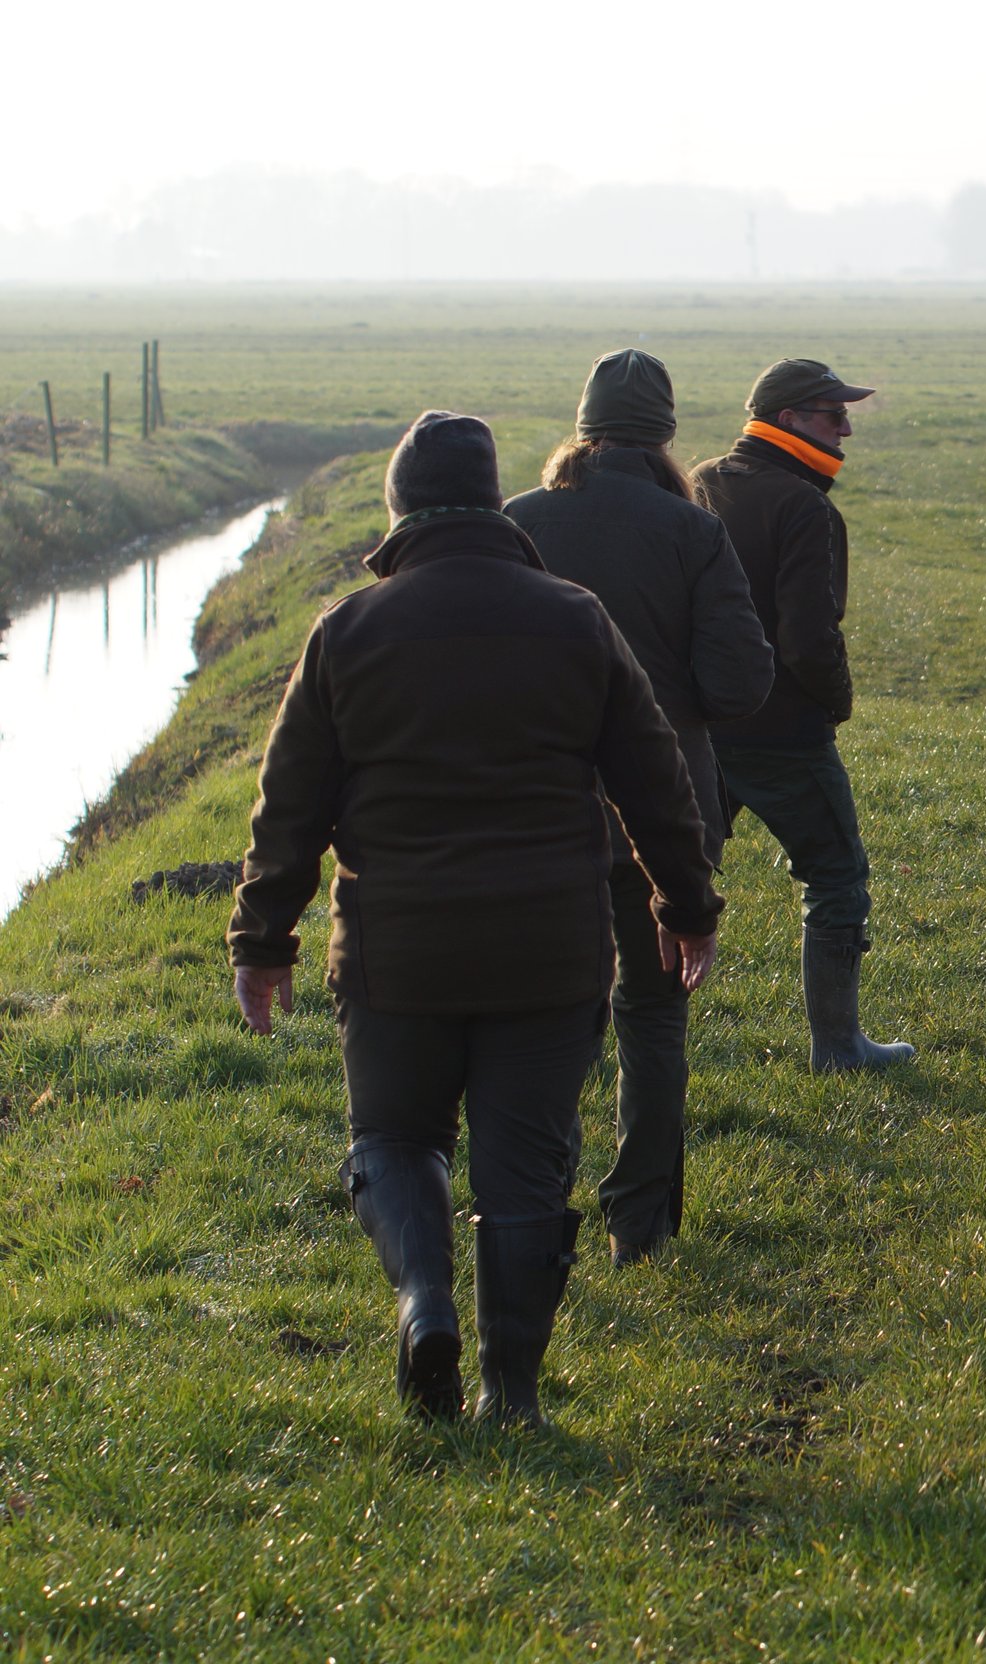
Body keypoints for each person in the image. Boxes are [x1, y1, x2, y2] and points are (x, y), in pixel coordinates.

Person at [228, 411, 722, 1425]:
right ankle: (512, 1394)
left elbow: (289, 807)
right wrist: (685, 904)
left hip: (396, 950)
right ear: (495, 503)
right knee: (524, 1168)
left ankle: (424, 1302)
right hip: (548, 947)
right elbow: (656, 779)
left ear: (398, 507)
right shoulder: (576, 619)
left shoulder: (347, 632)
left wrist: (264, 939)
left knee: (394, 1138)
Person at [506, 349, 772, 1268]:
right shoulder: (693, 532)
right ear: (664, 436)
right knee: (652, 1019)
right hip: (664, 813)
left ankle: (530, 1211)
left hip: (541, 815)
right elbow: (739, 685)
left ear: (583, 429)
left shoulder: (518, 523)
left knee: (546, 1021)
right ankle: (638, 1227)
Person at [690, 358, 913, 1072]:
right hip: (782, 731)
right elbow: (810, 638)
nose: (846, 428)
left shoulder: (700, 482)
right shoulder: (804, 507)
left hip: (697, 725)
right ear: (787, 419)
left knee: (665, 879)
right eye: (832, 413)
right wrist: (835, 702)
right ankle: (839, 1047)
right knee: (837, 880)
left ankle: (597, 1031)